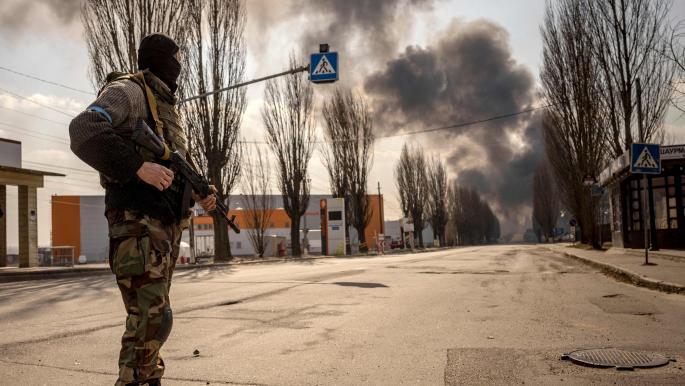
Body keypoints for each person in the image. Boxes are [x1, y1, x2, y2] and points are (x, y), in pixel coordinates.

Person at [69, 33, 216, 386]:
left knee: (153, 321)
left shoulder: (164, 106)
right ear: (161, 58)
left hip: (160, 229)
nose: (180, 66)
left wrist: (198, 191)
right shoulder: (129, 91)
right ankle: (133, 380)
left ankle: (147, 378)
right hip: (136, 225)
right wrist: (136, 167)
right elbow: (83, 128)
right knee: (150, 319)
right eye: (177, 59)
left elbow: (168, 168)